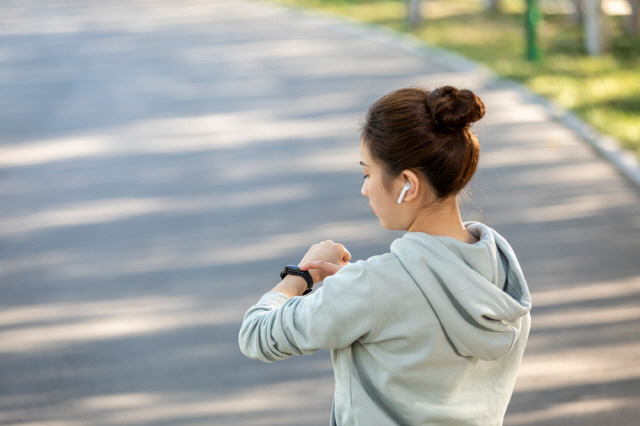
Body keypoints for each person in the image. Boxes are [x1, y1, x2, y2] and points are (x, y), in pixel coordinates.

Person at [238, 86, 532, 426]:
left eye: (368, 173)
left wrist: (301, 277)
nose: (364, 188)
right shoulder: (501, 274)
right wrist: (355, 289)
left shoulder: (373, 286)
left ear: (408, 183)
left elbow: (256, 335)